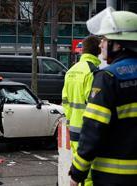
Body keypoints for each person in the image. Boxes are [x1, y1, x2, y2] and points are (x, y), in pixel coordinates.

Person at [69, 8, 137, 186]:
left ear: (118, 44)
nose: (100, 45)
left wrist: (77, 173)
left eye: (105, 39)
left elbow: (93, 129)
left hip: (113, 177)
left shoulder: (108, 78)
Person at [62, 35, 101, 185]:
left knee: (78, 169)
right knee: (89, 174)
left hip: (73, 129)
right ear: (98, 50)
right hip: (88, 131)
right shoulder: (92, 71)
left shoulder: (71, 70)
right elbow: (94, 105)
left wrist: (71, 121)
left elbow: (65, 101)